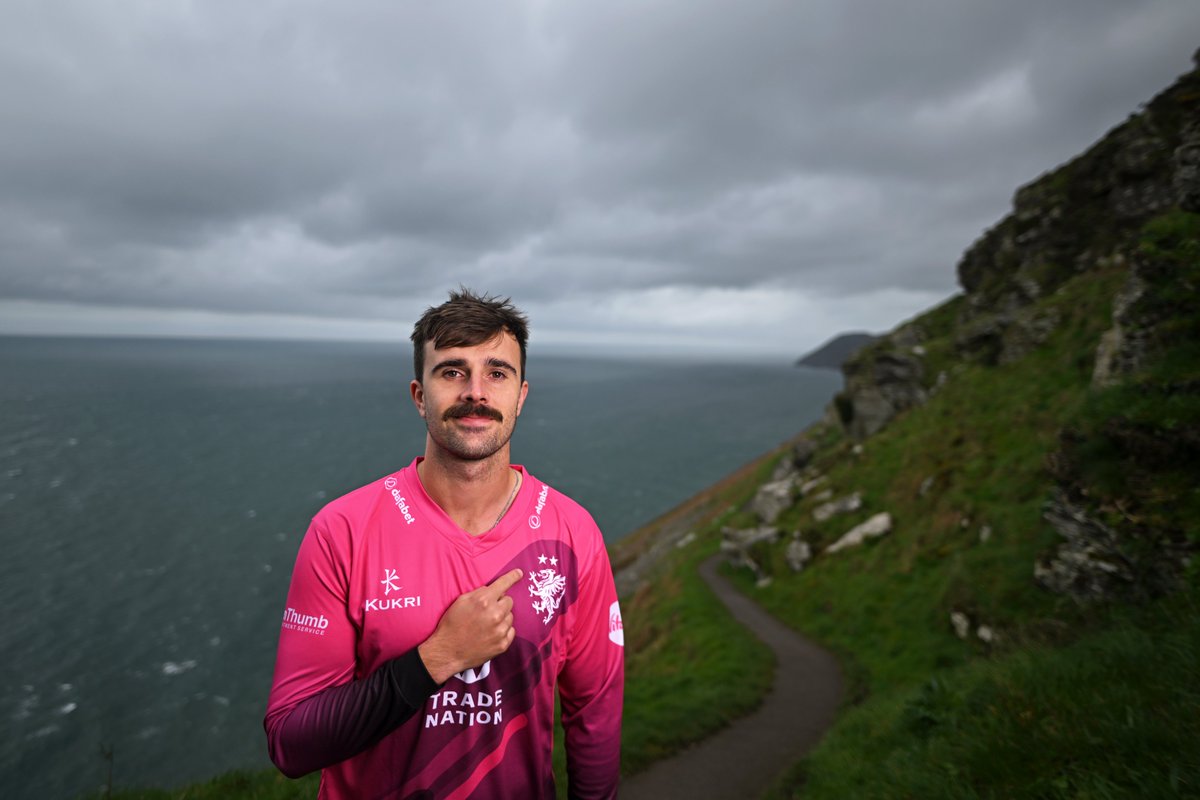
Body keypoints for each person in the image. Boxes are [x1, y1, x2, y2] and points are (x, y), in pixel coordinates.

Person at [264, 289, 624, 799]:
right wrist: (437, 657)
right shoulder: (341, 530)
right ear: (418, 396)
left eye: (497, 373)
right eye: (452, 371)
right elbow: (290, 743)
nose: (476, 392)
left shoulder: (574, 531)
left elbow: (595, 713)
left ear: (521, 395)